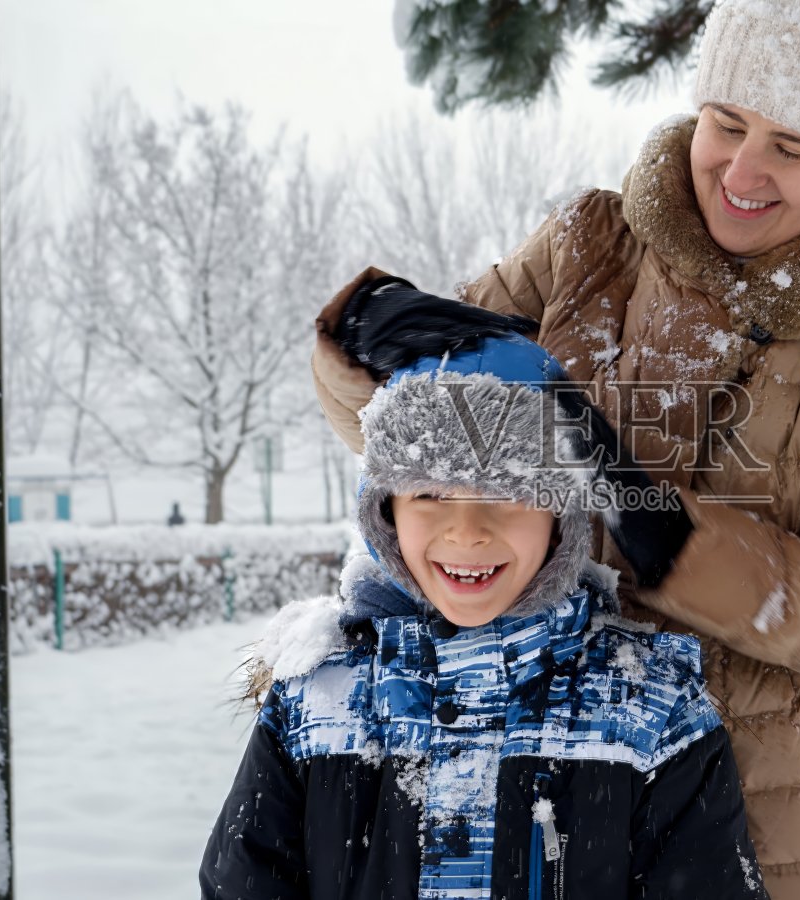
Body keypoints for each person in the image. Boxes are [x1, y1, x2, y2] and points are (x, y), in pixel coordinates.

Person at [311, 0, 800, 895]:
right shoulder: (590, 243)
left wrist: (661, 526)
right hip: (532, 764)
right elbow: (421, 457)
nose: (743, 169)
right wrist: (374, 344)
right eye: (728, 124)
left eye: (792, 146)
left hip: (760, 802)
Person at [201, 333, 768, 899]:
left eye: (508, 494)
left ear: (560, 517)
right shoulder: (315, 701)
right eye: (430, 494)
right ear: (386, 511)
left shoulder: (652, 709)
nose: (467, 529)